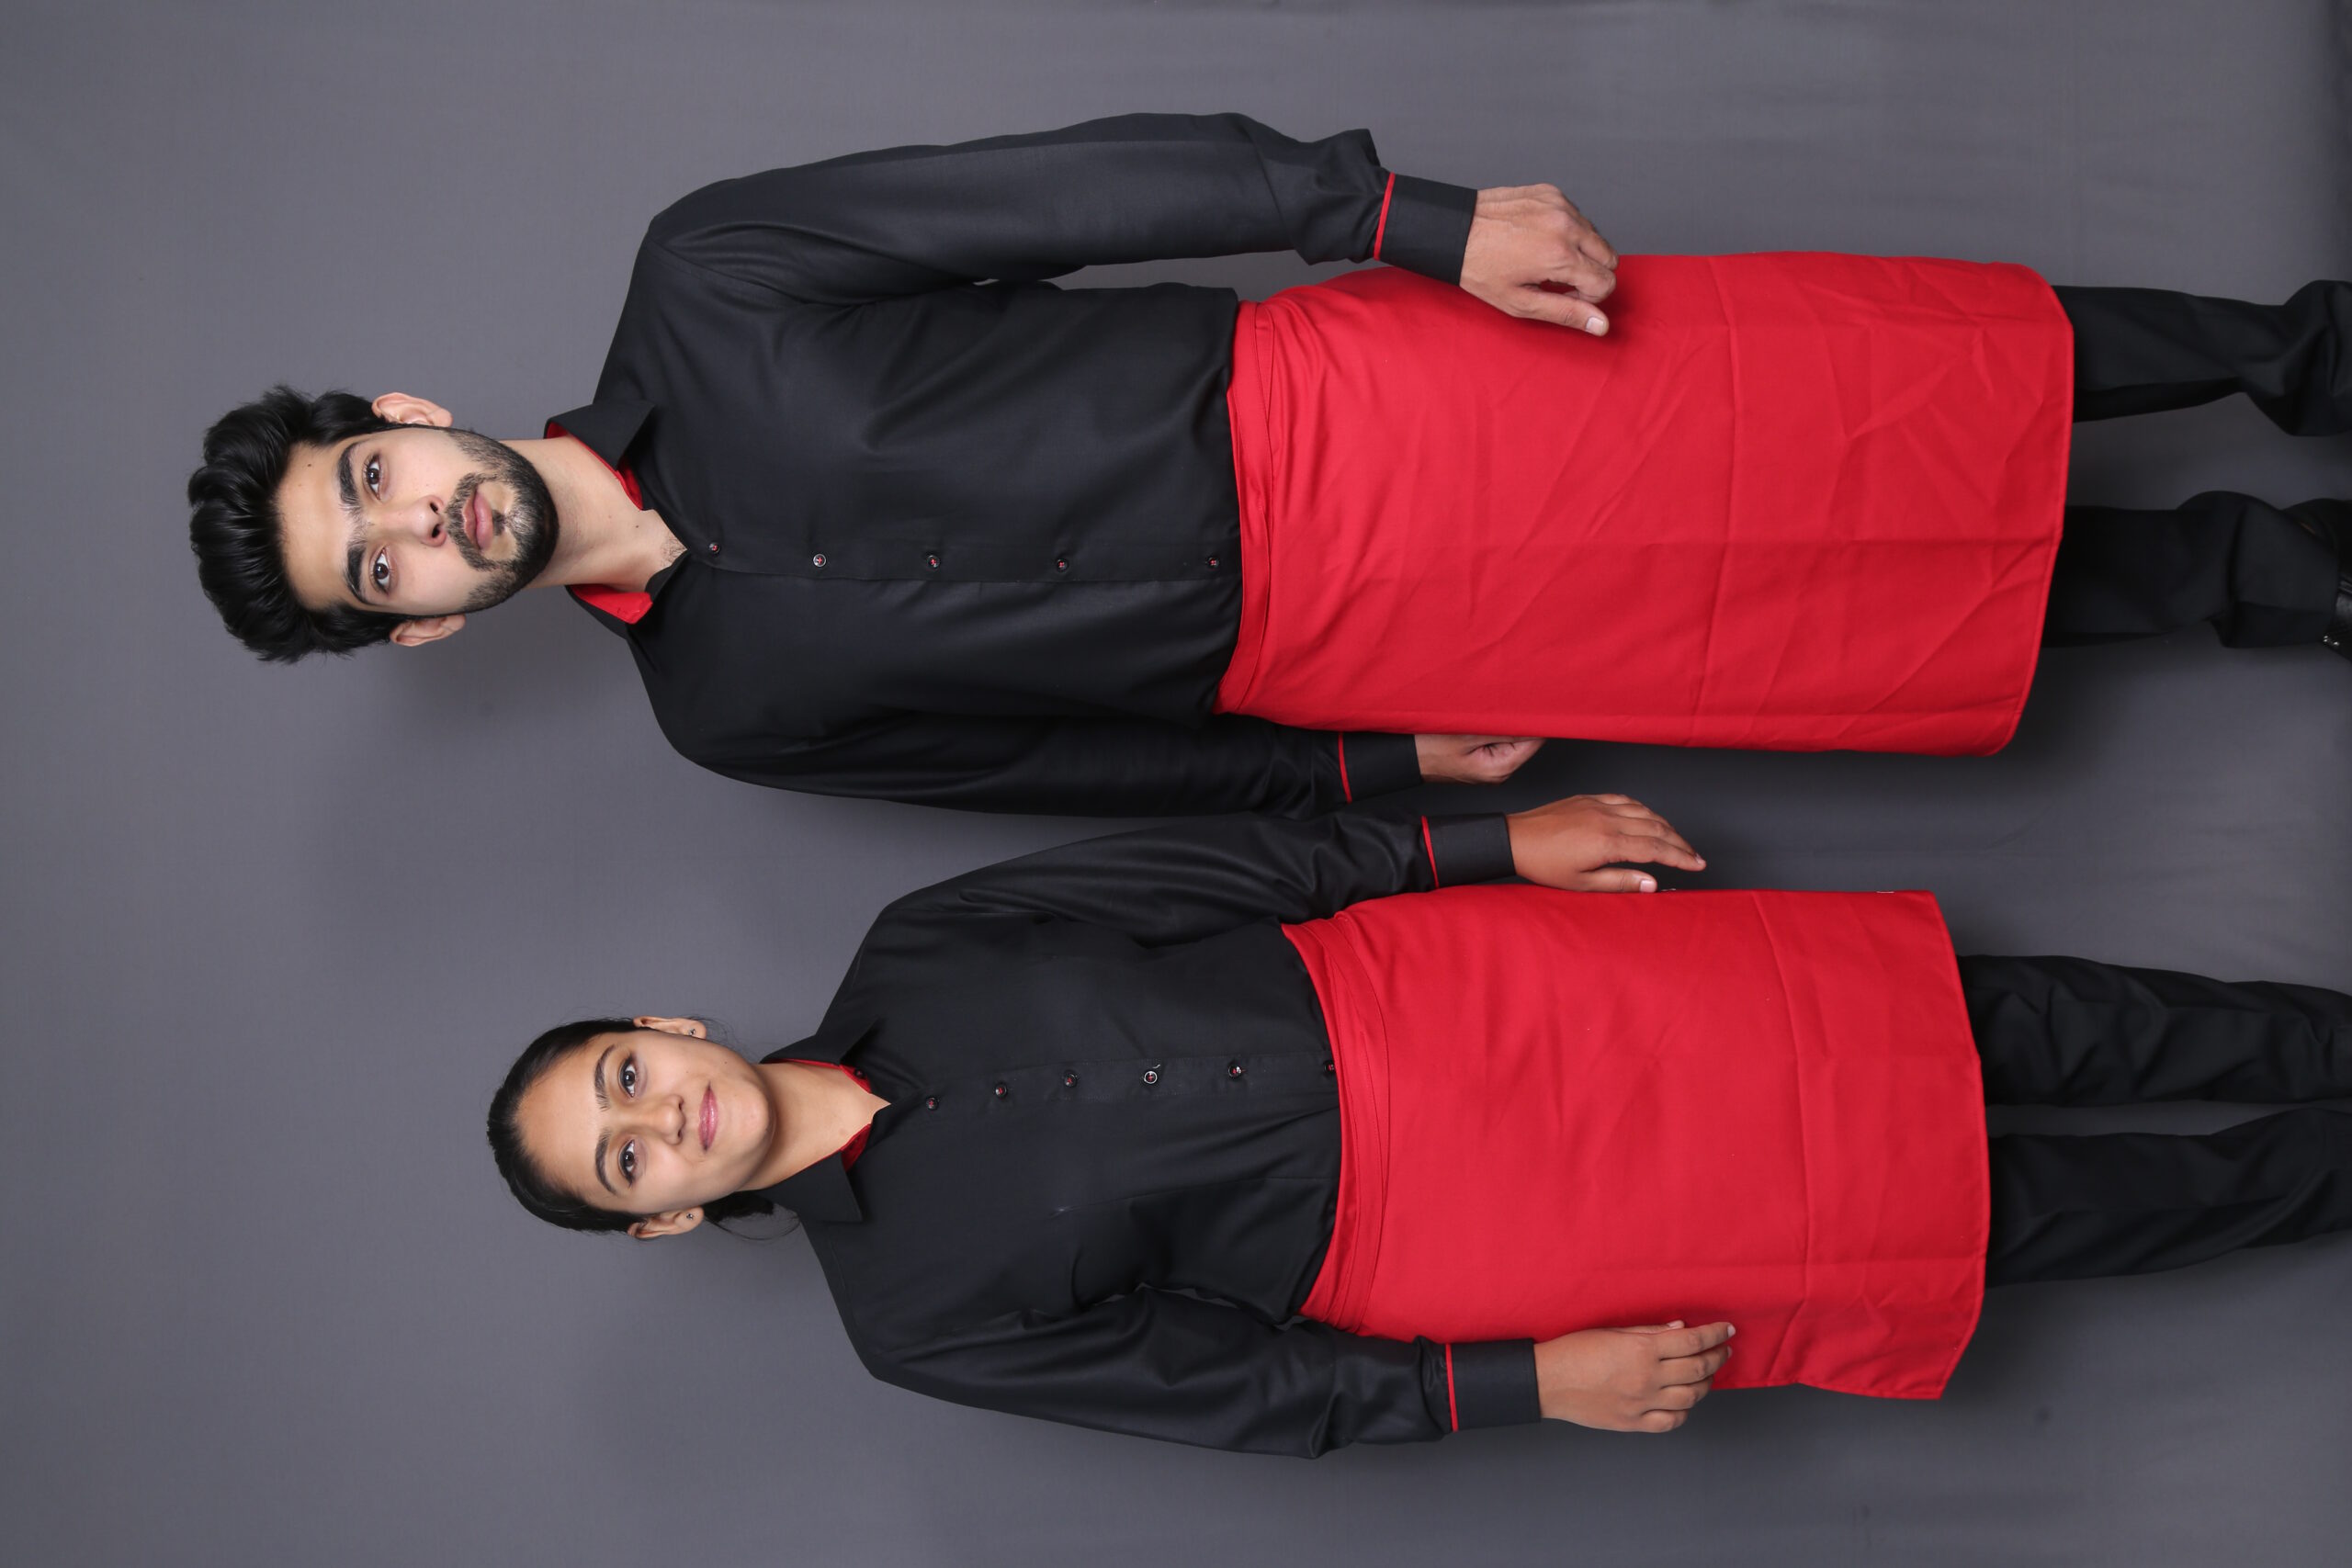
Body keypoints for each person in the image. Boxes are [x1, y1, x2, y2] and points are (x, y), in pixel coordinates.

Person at [192, 114, 2352, 816]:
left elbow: (1072, 195)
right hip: (1340, 641)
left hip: (1340, 402)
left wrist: (1396, 218)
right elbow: (1060, 768)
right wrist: (1367, 763)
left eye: (367, 484)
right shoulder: (719, 711)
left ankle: (2290, 355)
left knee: (1842, 387)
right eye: (376, 571)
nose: (415, 526)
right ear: (422, 630)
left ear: (402, 413)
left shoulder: (708, 278)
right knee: (1813, 610)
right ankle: (2284, 578)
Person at [486, 797, 2352, 1456]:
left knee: (2000, 1019)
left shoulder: (921, 943)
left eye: (625, 1076)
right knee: (1984, 1203)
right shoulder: (912, 1321)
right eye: (626, 1158)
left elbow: (1223, 868)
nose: (665, 1117)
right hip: (1466, 1233)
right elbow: (1242, 1390)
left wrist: (1489, 841)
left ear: (666, 1027)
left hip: (1464, 987)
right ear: (664, 1219)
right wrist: (1526, 1383)